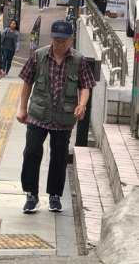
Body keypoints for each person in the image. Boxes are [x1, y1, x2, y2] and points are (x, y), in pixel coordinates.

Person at [17, 20, 96, 214]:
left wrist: (82, 104)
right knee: (32, 153)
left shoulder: (79, 60)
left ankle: (54, 195)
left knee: (59, 157)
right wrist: (22, 109)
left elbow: (85, 85)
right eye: (56, 40)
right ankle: (31, 195)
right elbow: (27, 82)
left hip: (63, 117)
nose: (59, 44)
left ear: (71, 40)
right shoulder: (38, 56)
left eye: (63, 41)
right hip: (38, 114)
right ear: (51, 38)